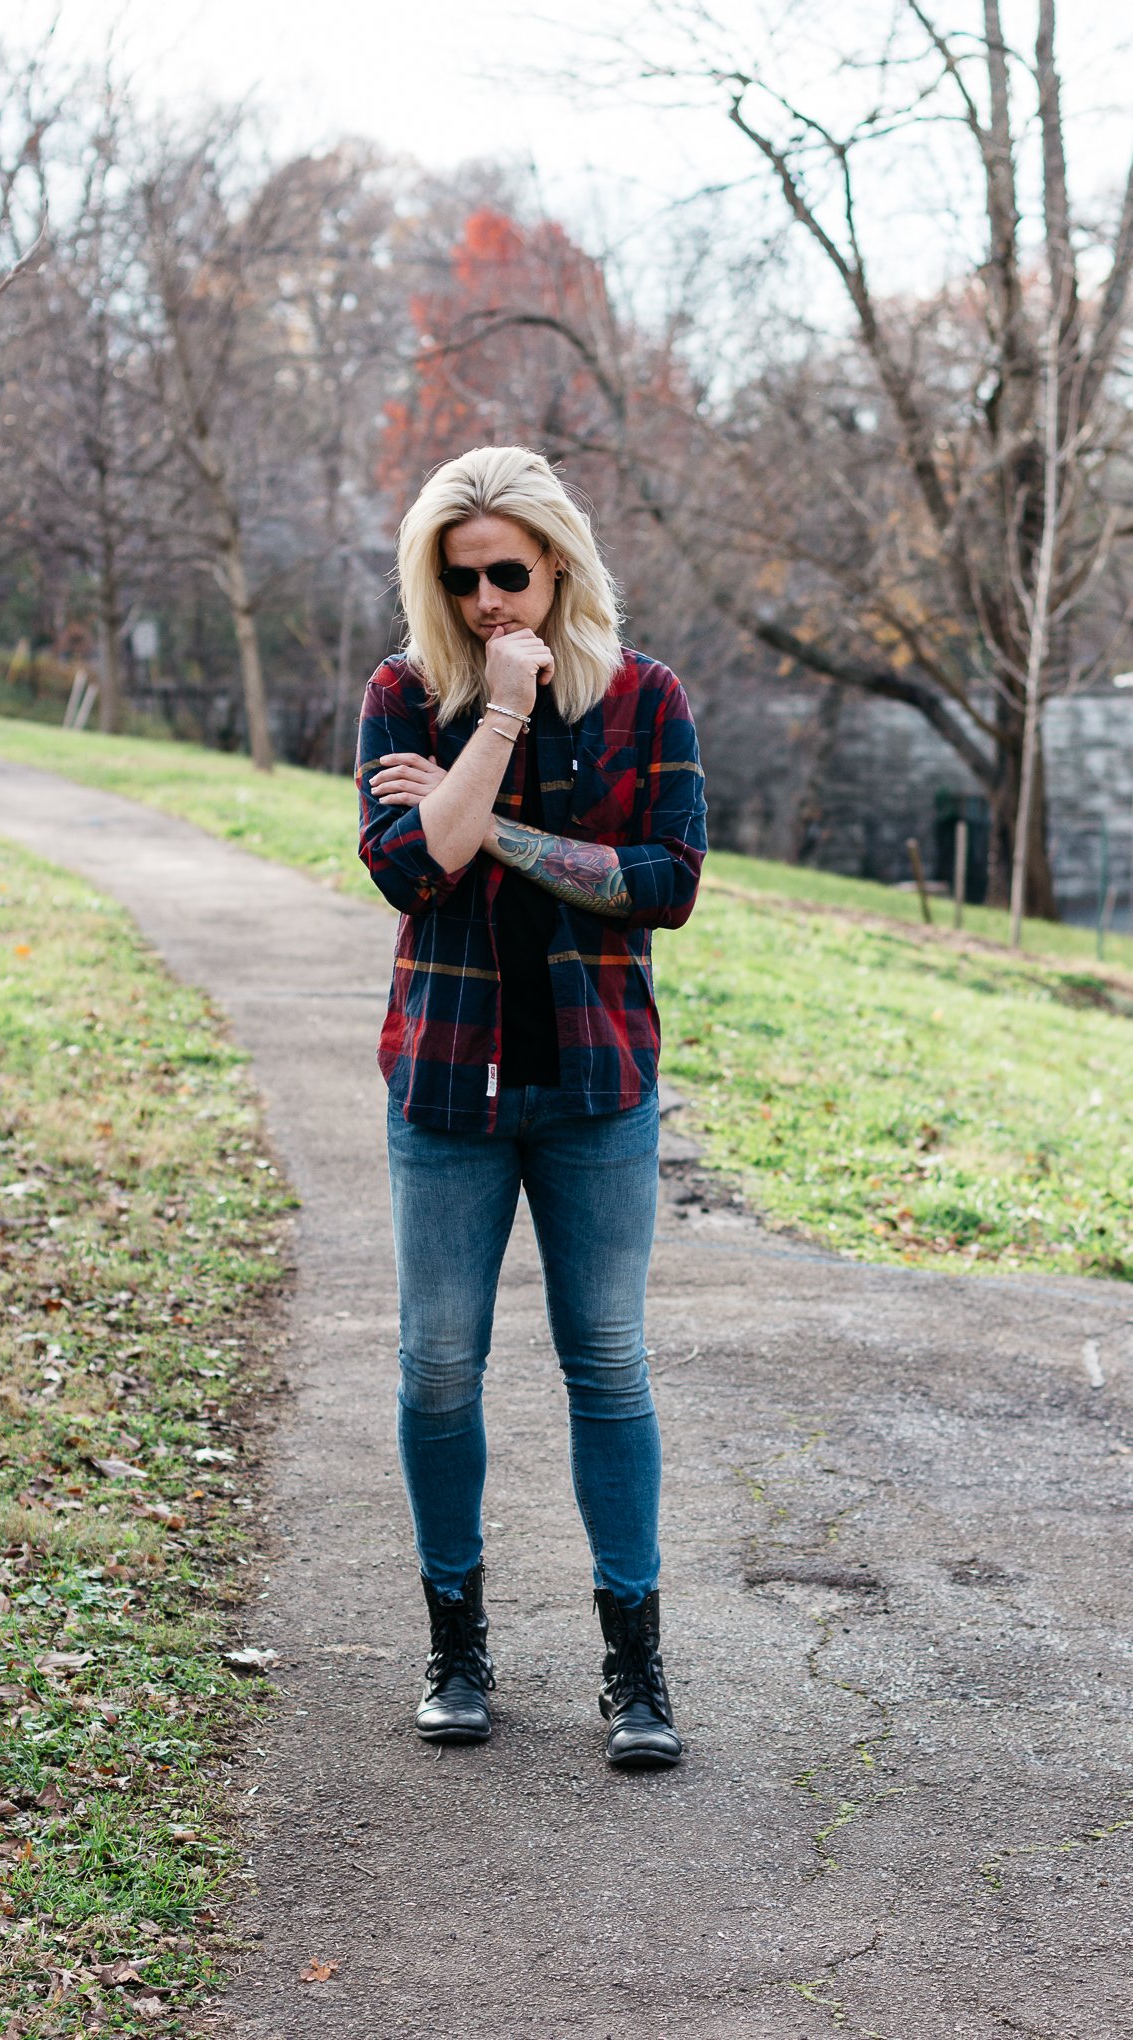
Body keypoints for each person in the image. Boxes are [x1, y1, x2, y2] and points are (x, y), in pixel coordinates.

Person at [356, 445, 706, 1768]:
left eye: (512, 572)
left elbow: (666, 883)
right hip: (449, 1086)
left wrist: (489, 828)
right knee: (440, 1367)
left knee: (607, 1362)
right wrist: (494, 721)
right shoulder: (405, 693)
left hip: (597, 1089)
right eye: (466, 581)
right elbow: (406, 872)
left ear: (561, 562)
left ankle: (635, 1664)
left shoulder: (649, 699)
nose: (493, 602)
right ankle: (457, 1641)